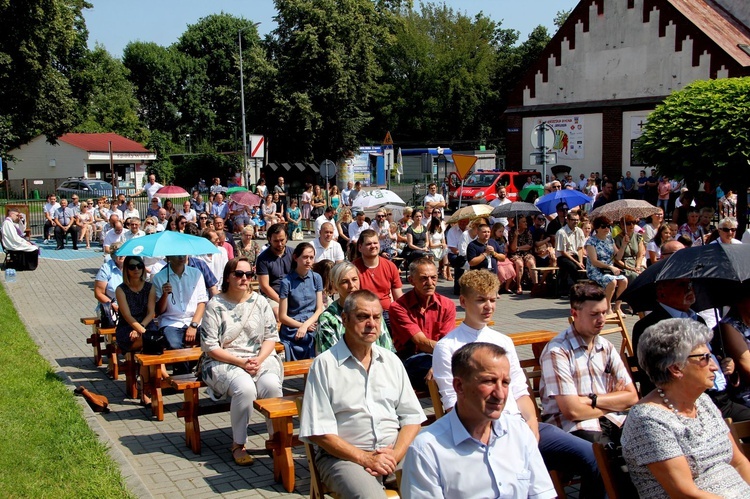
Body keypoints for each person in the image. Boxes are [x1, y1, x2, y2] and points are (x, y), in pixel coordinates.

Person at [432, 270, 603, 498]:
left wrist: (531, 424)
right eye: (481, 300)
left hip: (521, 426)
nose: (488, 306)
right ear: (463, 302)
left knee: (593, 456)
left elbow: (521, 391)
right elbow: (453, 403)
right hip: (482, 433)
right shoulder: (448, 346)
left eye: (493, 299)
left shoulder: (503, 341)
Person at [299, 290, 426, 498]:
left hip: (393, 453)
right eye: (362, 316)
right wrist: (366, 458)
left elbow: (412, 417)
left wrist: (394, 455)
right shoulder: (324, 365)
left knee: (434, 486)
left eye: (376, 317)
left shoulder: (391, 361)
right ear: (345, 319)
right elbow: (319, 432)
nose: (371, 323)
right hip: (344, 458)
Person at [403, 342, 556, 499]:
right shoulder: (427, 450)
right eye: (489, 381)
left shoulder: (519, 431)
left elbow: (542, 494)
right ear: (459, 386)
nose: (500, 395)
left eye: (505, 383)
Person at [622, 319, 750, 498]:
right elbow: (685, 493)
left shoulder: (703, 402)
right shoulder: (648, 421)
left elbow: (738, 463)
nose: (714, 366)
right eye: (704, 358)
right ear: (676, 368)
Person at [199, 257, 284, 466]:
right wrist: (241, 362)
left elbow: (270, 337)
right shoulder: (215, 305)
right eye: (238, 274)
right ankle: (238, 443)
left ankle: (277, 439)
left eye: (248, 275)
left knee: (272, 386)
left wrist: (259, 359)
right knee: (245, 389)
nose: (244, 278)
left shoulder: (260, 301)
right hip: (224, 359)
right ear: (228, 276)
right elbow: (210, 347)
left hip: (259, 357)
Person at [540, 281, 638, 446]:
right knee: (606, 456)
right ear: (575, 313)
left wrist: (589, 400)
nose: (602, 320)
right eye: (594, 314)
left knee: (645, 440)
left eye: (604, 312)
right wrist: (612, 401)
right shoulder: (558, 351)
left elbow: (632, 397)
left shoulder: (606, 346)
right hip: (574, 428)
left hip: (613, 420)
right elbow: (572, 411)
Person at [389, 258, 456, 391]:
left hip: (439, 357)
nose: (430, 283)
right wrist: (442, 361)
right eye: (424, 278)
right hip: (411, 359)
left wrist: (440, 362)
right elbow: (421, 342)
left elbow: (447, 341)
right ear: (411, 280)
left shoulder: (447, 305)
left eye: (434, 278)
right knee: (448, 374)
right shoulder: (399, 307)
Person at [316, 261, 394, 354]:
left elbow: (387, 349)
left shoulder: (373, 311)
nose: (352, 286)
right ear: (335, 286)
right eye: (344, 281)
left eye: (354, 279)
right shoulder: (328, 319)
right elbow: (329, 357)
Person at [152, 255, 208, 373]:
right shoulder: (159, 277)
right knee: (174, 344)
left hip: (194, 320)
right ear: (168, 257)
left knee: (211, 341)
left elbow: (202, 302)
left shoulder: (196, 273)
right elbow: (159, 311)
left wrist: (193, 325)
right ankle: (185, 374)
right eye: (177, 254)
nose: (181, 256)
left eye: (183, 253)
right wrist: (165, 294)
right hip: (171, 321)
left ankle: (184, 371)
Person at [114, 255, 156, 405]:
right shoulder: (121, 289)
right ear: (126, 269)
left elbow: (151, 313)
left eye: (139, 266)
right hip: (127, 328)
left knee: (151, 345)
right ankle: (147, 388)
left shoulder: (149, 287)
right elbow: (127, 315)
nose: (136, 269)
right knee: (151, 344)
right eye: (132, 266)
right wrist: (139, 330)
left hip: (145, 325)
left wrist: (141, 329)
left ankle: (145, 386)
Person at [278, 243, 323, 360]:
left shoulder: (316, 278)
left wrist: (306, 325)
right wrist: (302, 326)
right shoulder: (286, 282)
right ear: (295, 257)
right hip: (293, 326)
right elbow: (282, 316)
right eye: (305, 257)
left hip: (312, 324)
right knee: (305, 338)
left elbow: (319, 309)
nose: (308, 261)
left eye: (311, 257)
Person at [353, 229, 403, 329]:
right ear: (360, 247)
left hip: (387, 313)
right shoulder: (353, 269)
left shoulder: (390, 266)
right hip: (364, 314)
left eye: (375, 243)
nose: (373, 246)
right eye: (368, 244)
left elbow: (399, 298)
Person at [585, 216, 628, 314]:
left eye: (608, 226)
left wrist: (623, 245)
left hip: (609, 270)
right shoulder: (591, 241)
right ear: (596, 228)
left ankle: (617, 306)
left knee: (624, 280)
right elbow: (594, 261)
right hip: (595, 270)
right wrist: (610, 267)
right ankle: (607, 307)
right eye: (603, 226)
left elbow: (617, 257)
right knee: (612, 281)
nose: (607, 229)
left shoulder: (610, 240)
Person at [255, 223, 293, 317]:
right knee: (278, 313)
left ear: (286, 238)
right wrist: (281, 301)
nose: (280, 244)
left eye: (282, 240)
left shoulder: (294, 254)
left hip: (292, 294)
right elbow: (264, 286)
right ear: (269, 239)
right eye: (276, 241)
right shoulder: (263, 259)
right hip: (272, 296)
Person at [95, 242, 125, 321]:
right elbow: (98, 293)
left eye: (124, 252)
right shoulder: (106, 268)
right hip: (109, 307)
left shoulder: (132, 267)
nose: (122, 255)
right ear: (113, 255)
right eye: (118, 253)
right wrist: (113, 305)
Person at [613, 215, 646, 283]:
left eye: (633, 222)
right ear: (622, 226)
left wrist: (638, 266)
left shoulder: (638, 236)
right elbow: (616, 259)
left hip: (636, 263)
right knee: (634, 276)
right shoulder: (617, 239)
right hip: (624, 266)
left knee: (646, 274)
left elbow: (640, 254)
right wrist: (629, 268)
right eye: (628, 223)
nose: (631, 225)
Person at [508, 216, 537, 294]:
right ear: (518, 224)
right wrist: (516, 236)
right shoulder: (512, 232)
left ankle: (536, 286)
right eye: (523, 222)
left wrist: (518, 248)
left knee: (531, 263)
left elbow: (529, 245)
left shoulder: (528, 231)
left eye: (525, 221)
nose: (526, 223)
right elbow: (513, 248)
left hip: (526, 253)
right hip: (516, 254)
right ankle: (518, 285)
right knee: (519, 264)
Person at [446, 218, 470, 295]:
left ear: (468, 221)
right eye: (461, 221)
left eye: (465, 221)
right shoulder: (452, 231)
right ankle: (458, 288)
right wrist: (463, 254)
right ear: (458, 221)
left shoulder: (470, 230)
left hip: (468, 254)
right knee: (459, 261)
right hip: (454, 254)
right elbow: (453, 248)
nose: (463, 223)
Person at [427, 212, 450, 279]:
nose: (438, 226)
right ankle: (433, 270)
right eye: (437, 225)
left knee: (446, 250)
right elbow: (431, 245)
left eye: (439, 224)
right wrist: (440, 244)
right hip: (434, 247)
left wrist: (444, 245)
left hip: (440, 247)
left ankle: (444, 269)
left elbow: (443, 241)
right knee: (432, 253)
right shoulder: (430, 232)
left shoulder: (441, 231)